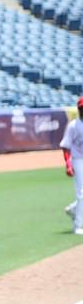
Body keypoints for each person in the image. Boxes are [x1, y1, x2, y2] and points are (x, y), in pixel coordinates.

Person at [61, 96, 83, 234]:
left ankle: (73, 209)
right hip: (78, 160)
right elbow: (65, 146)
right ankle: (78, 226)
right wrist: (68, 164)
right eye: (81, 108)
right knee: (81, 193)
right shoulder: (73, 126)